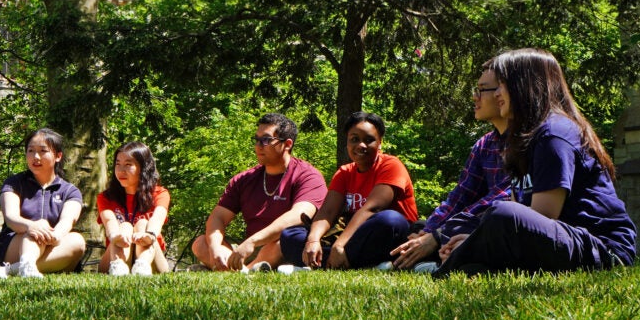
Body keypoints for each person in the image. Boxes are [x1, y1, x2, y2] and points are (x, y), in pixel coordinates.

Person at [433, 48, 637, 277]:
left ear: (525, 85)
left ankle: (445, 270)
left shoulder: (554, 135)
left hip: (602, 249)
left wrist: (479, 242)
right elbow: (522, 210)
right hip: (556, 242)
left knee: (502, 215)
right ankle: (467, 264)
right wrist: (475, 238)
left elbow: (541, 217)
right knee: (473, 225)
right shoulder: (522, 139)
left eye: (502, 84)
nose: (497, 92)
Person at [392, 60, 514, 270]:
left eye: (483, 90)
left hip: (498, 224)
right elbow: (460, 195)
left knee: (484, 220)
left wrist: (439, 235)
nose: (475, 97)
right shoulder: (484, 144)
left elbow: (500, 199)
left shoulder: (528, 142)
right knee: (418, 226)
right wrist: (429, 231)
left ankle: (438, 258)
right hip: (472, 221)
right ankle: (422, 255)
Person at [280, 112, 418, 270]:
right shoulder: (344, 172)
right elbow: (328, 212)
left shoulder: (391, 165)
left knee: (390, 220)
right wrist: (313, 240)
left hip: (387, 236)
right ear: (347, 143)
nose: (361, 145)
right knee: (289, 236)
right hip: (353, 238)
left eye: (369, 140)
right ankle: (358, 263)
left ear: (380, 143)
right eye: (354, 139)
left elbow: (374, 208)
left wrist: (339, 245)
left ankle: (323, 262)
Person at [190, 113, 326, 272]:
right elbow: (218, 217)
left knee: (283, 240)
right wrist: (215, 249)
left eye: (266, 140)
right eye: (257, 140)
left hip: (280, 247)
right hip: (247, 251)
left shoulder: (308, 176)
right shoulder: (244, 179)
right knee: (200, 243)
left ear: (287, 144)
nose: (259, 146)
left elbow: (299, 215)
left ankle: (240, 272)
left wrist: (253, 241)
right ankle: (245, 271)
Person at [0, 128, 87, 278]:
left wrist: (55, 235)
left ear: (58, 156)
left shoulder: (70, 191)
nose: (36, 156)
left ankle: (11, 270)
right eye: (31, 151)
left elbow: (67, 221)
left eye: (43, 151)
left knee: (77, 241)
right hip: (13, 245)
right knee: (34, 232)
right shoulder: (14, 183)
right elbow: (11, 218)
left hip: (53, 244)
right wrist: (32, 226)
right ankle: (26, 264)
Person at [96, 141, 172, 275]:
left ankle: (142, 266)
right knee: (125, 226)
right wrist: (115, 236)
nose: (121, 170)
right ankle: (118, 267)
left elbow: (158, 218)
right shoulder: (105, 197)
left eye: (128, 164)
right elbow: (109, 221)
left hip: (151, 255)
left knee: (142, 224)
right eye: (117, 164)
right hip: (114, 256)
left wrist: (150, 235)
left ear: (143, 167)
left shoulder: (159, 193)